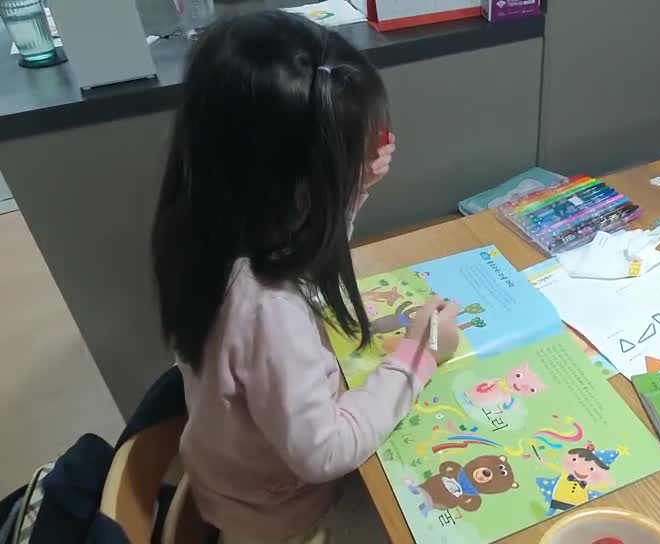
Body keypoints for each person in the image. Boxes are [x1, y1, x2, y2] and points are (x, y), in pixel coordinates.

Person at [149, 11, 460, 544]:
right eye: (337, 165)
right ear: (295, 186)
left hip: (239, 483)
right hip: (289, 521)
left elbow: (305, 247)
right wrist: (419, 355)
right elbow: (324, 452)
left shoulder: (211, 224)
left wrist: (352, 184)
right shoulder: (267, 307)